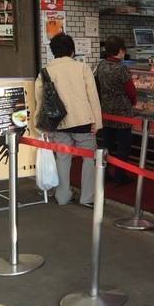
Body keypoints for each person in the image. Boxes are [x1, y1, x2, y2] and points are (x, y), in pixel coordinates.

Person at [34, 34, 102, 206]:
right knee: (89, 159)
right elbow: (93, 96)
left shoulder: (46, 71)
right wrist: (97, 122)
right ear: (72, 51)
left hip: (58, 122)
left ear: (53, 52)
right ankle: (87, 198)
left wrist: (40, 126)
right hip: (83, 121)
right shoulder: (82, 68)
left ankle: (62, 196)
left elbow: (40, 100)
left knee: (62, 159)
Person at [95, 36, 137, 185]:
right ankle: (120, 175)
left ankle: (104, 172)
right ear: (120, 50)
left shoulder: (101, 65)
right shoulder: (121, 68)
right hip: (122, 113)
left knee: (106, 144)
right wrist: (133, 102)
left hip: (106, 110)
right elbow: (131, 91)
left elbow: (97, 86)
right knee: (123, 146)